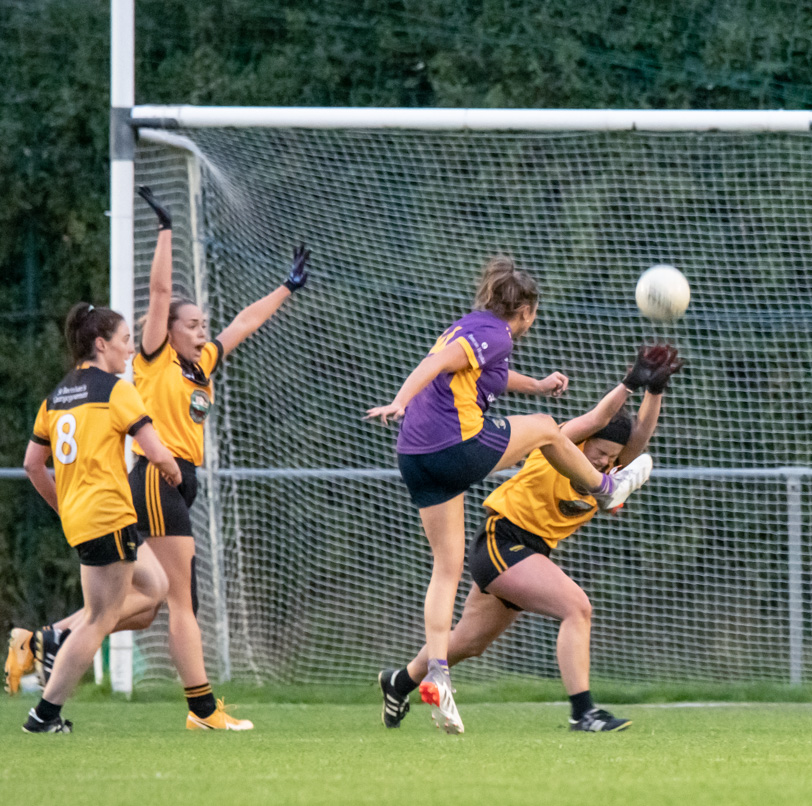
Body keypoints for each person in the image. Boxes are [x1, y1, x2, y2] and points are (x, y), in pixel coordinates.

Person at [28, 186, 311, 730]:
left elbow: (246, 323)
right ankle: (203, 710)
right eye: (192, 323)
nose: (202, 330)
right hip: (157, 480)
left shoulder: (200, 362)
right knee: (182, 602)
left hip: (181, 482)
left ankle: (54, 637)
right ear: (168, 331)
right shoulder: (153, 359)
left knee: (154, 600)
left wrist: (286, 288)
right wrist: (165, 230)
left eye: (204, 323)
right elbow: (160, 291)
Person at [366, 255, 654, 734]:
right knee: (546, 432)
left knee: (457, 603)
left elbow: (488, 378)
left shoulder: (477, 335)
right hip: (469, 477)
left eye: (608, 462)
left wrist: (539, 385)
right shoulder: (495, 333)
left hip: (417, 459)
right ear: (524, 311)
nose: (605, 454)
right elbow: (437, 363)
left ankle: (414, 677)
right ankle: (584, 713)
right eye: (533, 313)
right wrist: (400, 397)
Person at [18, 303, 183, 733]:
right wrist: (173, 472)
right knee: (99, 620)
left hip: (93, 519)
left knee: (154, 590)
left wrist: (64, 507)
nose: (130, 350)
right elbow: (157, 450)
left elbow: (33, 465)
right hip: (109, 516)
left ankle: (56, 636)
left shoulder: (55, 397)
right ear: (101, 344)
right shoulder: (115, 389)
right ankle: (44, 715)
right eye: (126, 341)